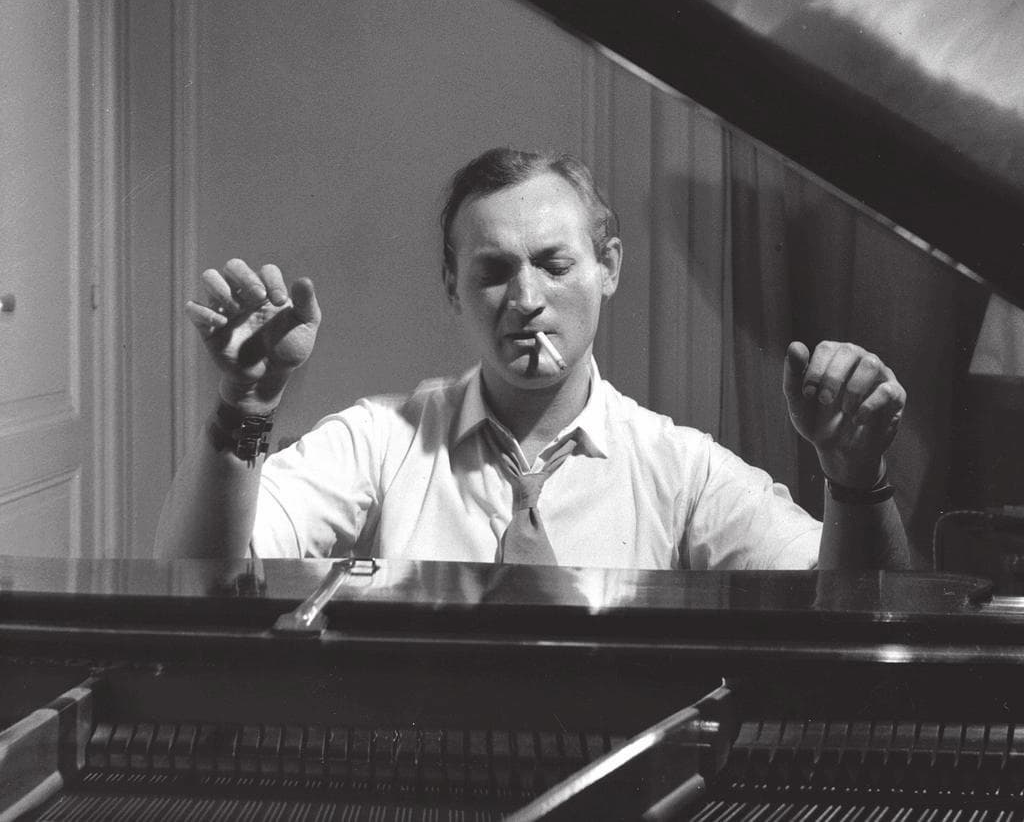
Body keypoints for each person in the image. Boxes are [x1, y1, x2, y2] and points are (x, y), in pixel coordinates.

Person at [156, 147, 910, 570]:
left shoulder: (682, 469)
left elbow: (844, 605)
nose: (524, 298)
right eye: (492, 271)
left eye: (554, 263)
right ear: (454, 289)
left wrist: (856, 480)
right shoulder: (383, 441)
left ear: (608, 267)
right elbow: (197, 570)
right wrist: (245, 405)